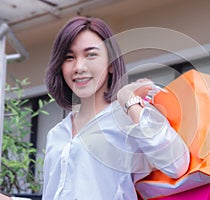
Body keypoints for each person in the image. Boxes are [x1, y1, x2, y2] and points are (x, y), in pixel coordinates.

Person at [42, 16, 190, 200]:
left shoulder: (128, 116)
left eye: (90, 55)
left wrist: (128, 100)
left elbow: (177, 165)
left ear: (111, 63)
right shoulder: (56, 134)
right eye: (69, 57)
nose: (79, 67)